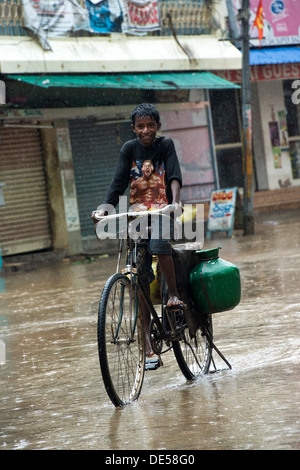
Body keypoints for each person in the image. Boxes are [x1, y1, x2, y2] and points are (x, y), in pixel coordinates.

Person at [92, 103, 184, 357]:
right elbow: (118, 182)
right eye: (141, 126)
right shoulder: (128, 149)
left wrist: (175, 202)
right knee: (138, 275)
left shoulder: (165, 146)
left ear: (158, 127)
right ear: (133, 128)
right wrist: (103, 210)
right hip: (137, 215)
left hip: (163, 210)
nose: (146, 130)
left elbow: (174, 176)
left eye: (150, 125)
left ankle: (173, 295)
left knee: (158, 245)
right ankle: (145, 336)